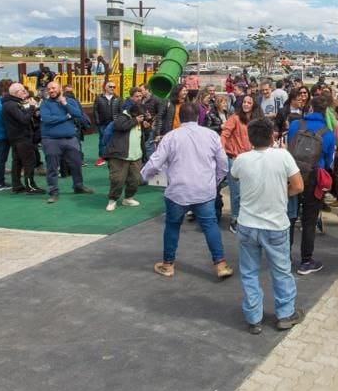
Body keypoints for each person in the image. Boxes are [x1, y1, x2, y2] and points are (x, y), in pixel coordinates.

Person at [141, 102, 233, 280]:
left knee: (172, 226)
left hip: (178, 191)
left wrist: (143, 175)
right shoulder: (211, 135)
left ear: (179, 117)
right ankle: (220, 264)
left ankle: (168, 264)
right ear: (198, 117)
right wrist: (214, 182)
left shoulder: (171, 137)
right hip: (204, 191)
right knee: (210, 225)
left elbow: (155, 161)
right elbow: (222, 164)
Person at [232, 118, 305, 334]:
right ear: (273, 135)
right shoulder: (283, 156)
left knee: (249, 272)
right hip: (275, 224)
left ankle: (254, 317)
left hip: (247, 223)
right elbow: (298, 186)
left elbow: (235, 177)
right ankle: (285, 313)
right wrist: (282, 193)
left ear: (250, 137)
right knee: (281, 270)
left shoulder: (241, 159)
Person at [286, 94, 336, 276]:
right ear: (327, 110)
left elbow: (288, 147)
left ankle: (284, 256)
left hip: (292, 174)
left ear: (311, 107)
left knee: (290, 217)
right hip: (314, 177)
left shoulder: (295, 125)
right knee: (309, 220)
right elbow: (329, 159)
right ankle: (306, 260)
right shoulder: (328, 133)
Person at [221, 95, 257, 232]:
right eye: (245, 102)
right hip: (234, 159)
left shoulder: (254, 120)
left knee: (248, 191)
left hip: (250, 159)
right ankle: (235, 218)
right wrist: (221, 151)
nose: (246, 104)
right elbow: (225, 134)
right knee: (236, 192)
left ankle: (245, 217)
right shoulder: (234, 118)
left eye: (249, 102)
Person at [102, 103, 147, 212]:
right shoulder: (122, 117)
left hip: (136, 155)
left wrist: (146, 127)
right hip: (119, 155)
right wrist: (136, 121)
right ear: (134, 113)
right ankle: (112, 200)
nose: (141, 117)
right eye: (140, 115)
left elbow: (141, 136)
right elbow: (121, 126)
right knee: (117, 179)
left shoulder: (138, 120)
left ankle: (128, 198)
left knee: (135, 180)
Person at [2, 83, 44, 195]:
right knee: (29, 162)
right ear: (17, 93)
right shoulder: (12, 105)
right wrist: (31, 107)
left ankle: (17, 185)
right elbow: (24, 120)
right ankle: (30, 186)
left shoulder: (9, 103)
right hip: (22, 137)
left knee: (17, 162)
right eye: (23, 91)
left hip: (15, 137)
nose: (25, 92)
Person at [92, 81, 123, 166]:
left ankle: (113, 156)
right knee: (102, 139)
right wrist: (97, 121)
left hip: (114, 123)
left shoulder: (118, 98)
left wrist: (119, 121)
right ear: (105, 88)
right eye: (110, 87)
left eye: (114, 87)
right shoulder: (99, 98)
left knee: (114, 139)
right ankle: (102, 157)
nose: (112, 88)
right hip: (102, 123)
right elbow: (95, 110)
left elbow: (121, 111)